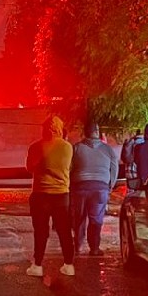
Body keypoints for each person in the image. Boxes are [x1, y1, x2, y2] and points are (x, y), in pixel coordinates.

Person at [25, 114, 75, 277]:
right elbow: (70, 167)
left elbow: (29, 168)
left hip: (41, 195)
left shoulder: (36, 147)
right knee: (64, 231)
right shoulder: (68, 147)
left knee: (40, 231)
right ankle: (69, 265)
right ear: (60, 129)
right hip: (62, 195)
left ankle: (38, 265)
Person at [70, 121, 119, 257]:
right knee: (96, 219)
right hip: (100, 188)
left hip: (80, 187)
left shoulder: (77, 148)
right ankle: (94, 248)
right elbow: (114, 168)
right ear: (97, 132)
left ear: (85, 133)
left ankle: (77, 246)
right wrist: (110, 185)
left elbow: (70, 168)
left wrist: (71, 185)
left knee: (79, 218)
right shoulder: (108, 149)